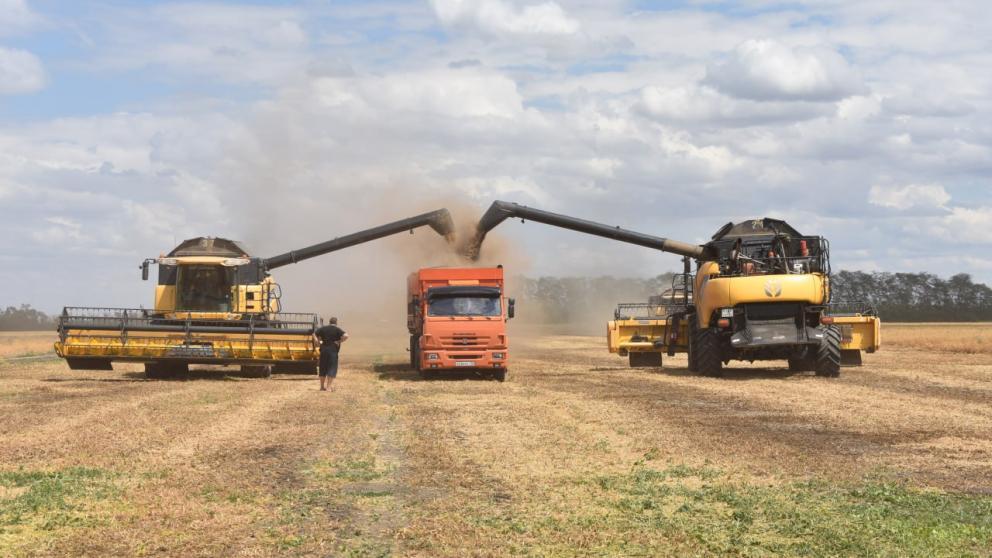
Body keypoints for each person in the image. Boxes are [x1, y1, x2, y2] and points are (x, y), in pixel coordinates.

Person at [314, 316, 348, 391]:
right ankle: (328, 387)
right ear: (336, 323)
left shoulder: (323, 328)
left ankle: (322, 387)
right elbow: (346, 335)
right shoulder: (337, 329)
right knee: (331, 368)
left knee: (322, 368)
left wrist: (317, 341)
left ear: (329, 322)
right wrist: (339, 341)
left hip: (323, 351)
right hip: (333, 351)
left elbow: (314, 333)